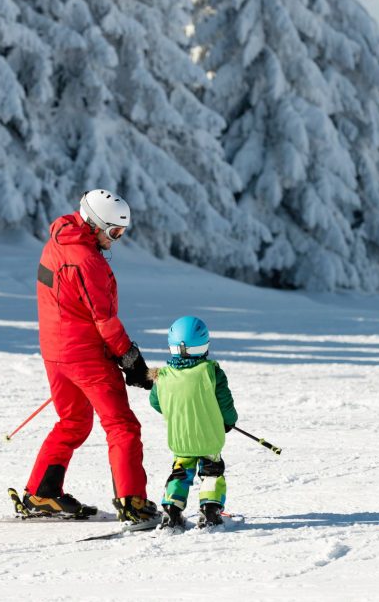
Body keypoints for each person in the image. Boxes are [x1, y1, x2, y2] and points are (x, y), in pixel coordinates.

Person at [21, 189, 160, 527]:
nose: (117, 239)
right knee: (122, 425)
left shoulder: (58, 238)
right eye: (114, 232)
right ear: (95, 224)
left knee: (73, 422)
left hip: (56, 353)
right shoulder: (87, 260)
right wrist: (131, 361)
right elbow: (105, 321)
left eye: (122, 233)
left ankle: (42, 492)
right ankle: (133, 501)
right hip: (85, 356)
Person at [148, 315, 238, 529]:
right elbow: (225, 403)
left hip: (181, 438)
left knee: (180, 471)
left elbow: (156, 402)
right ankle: (210, 510)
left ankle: (172, 510)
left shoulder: (162, 376)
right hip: (209, 437)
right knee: (212, 472)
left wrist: (177, 412)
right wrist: (229, 421)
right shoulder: (211, 371)